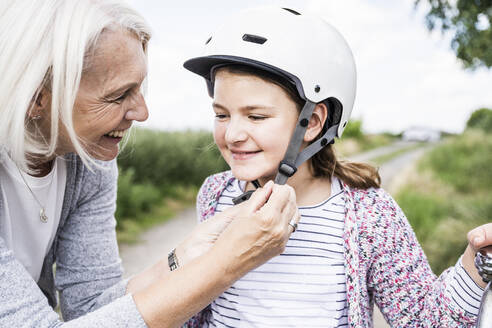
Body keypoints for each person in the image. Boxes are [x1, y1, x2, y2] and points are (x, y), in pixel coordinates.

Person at [183, 6, 492, 327]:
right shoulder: (215, 193)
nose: (232, 134)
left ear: (313, 122)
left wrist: (479, 262)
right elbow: (193, 303)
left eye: (256, 116)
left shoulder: (367, 211)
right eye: (221, 114)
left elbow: (424, 320)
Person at [0, 1, 301, 327]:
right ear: (35, 99)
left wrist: (186, 254)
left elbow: (92, 307)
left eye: (139, 88)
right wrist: (227, 261)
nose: (142, 113)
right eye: (118, 96)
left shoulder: (88, 163)